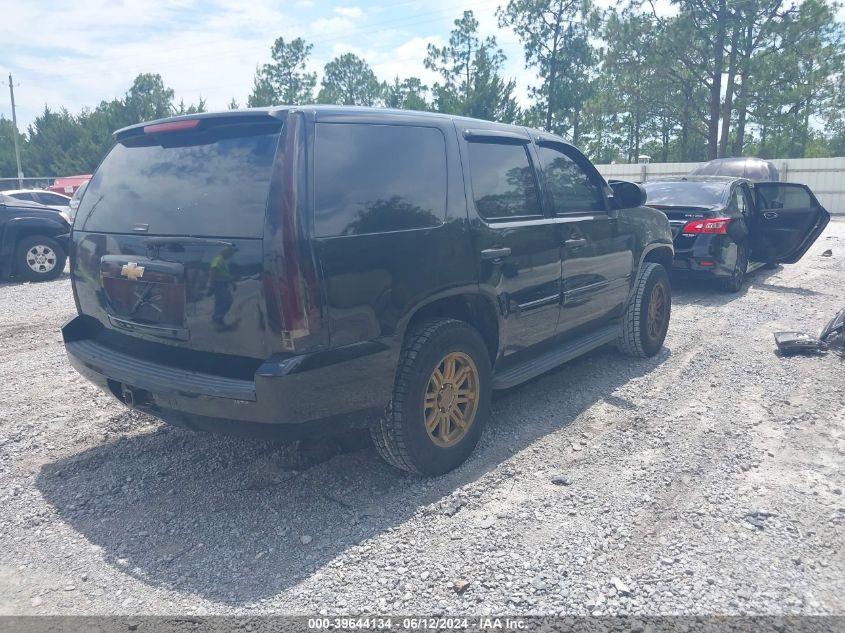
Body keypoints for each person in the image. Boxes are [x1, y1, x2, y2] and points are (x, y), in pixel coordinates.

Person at [208, 245, 237, 330]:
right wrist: (211, 285)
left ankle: (218, 320)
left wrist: (232, 283)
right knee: (228, 300)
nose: (232, 255)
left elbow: (225, 275)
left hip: (223, 284)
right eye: (231, 252)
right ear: (226, 252)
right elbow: (213, 271)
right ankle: (217, 318)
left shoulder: (223, 261)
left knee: (220, 302)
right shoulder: (218, 260)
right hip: (219, 284)